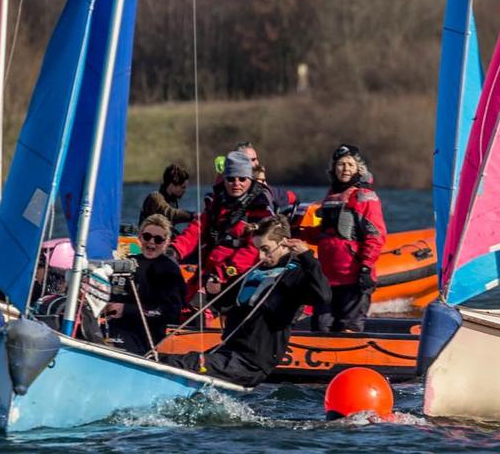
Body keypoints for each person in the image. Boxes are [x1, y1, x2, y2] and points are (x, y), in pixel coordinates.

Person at [161, 215, 331, 387]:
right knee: (167, 359)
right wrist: (214, 291)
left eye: (266, 249)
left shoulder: (294, 275)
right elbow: (225, 304)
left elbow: (323, 296)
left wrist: (308, 257)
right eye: (257, 249)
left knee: (183, 363)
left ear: (284, 243)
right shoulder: (254, 273)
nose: (261, 256)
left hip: (250, 362)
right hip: (229, 352)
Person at [170, 151, 274, 302]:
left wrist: (222, 273)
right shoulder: (217, 204)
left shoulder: (260, 210)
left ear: (250, 179)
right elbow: (196, 230)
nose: (236, 183)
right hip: (208, 270)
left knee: (198, 308)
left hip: (236, 277)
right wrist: (175, 250)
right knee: (180, 302)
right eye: (231, 179)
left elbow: (253, 251)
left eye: (242, 179)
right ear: (224, 180)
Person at [306, 144, 387, 333]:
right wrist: (295, 232)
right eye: (341, 164)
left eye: (350, 165)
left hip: (353, 277)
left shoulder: (365, 197)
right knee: (320, 327)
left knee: (348, 328)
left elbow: (375, 236)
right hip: (328, 277)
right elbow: (324, 234)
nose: (345, 169)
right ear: (334, 168)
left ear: (359, 168)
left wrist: (366, 267)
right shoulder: (331, 196)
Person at [105, 214, 187, 355]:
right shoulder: (128, 262)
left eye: (158, 239)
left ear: (167, 242)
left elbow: (170, 312)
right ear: (140, 237)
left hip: (144, 336)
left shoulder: (169, 271)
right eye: (147, 237)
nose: (151, 243)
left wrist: (128, 310)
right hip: (112, 326)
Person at [138, 164, 197, 229]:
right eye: (183, 187)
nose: (185, 190)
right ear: (171, 186)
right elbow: (169, 214)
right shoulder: (154, 198)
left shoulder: (173, 202)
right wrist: (192, 215)